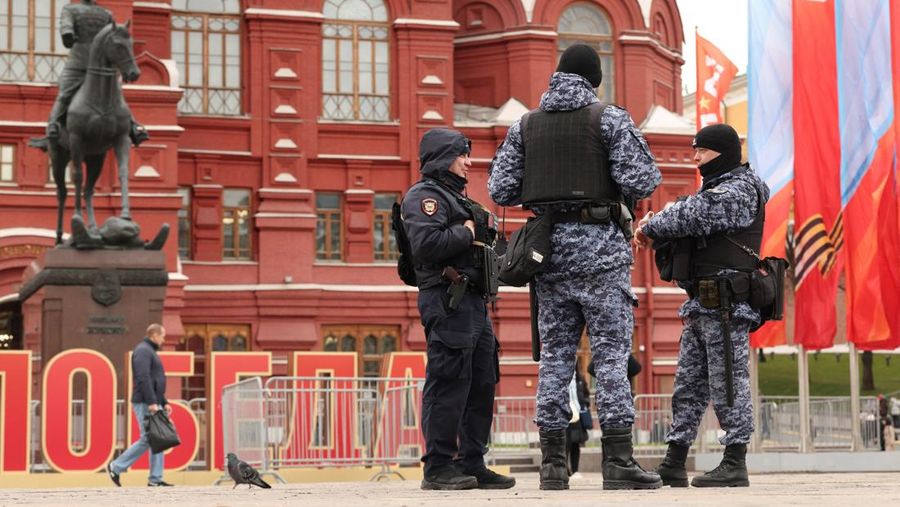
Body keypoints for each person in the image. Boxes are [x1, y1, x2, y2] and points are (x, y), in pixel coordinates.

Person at [489, 43, 662, 491]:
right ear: (594, 79)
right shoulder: (608, 118)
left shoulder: (525, 125)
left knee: (555, 358)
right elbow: (642, 180)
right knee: (608, 356)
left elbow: (501, 189)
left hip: (548, 257)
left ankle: (552, 465)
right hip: (602, 253)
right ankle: (619, 462)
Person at [634, 123, 769, 488]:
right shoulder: (714, 189)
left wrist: (651, 225)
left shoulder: (739, 189)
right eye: (694, 150)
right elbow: (688, 211)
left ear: (722, 153)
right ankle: (674, 460)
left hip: (726, 305)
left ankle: (734, 461)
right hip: (702, 304)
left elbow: (692, 214)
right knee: (688, 385)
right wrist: (658, 224)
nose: (695, 157)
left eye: (702, 151)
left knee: (728, 382)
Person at [402, 128, 515, 491]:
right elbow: (425, 244)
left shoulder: (459, 199)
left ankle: (471, 461)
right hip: (447, 300)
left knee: (481, 382)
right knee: (448, 381)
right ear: (444, 156)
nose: (469, 162)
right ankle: (437, 466)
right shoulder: (424, 197)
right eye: (463, 154)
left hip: (474, 304)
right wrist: (467, 233)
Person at [46, 0, 149, 145]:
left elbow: (112, 40)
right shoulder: (73, 10)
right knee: (65, 92)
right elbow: (67, 28)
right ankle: (53, 124)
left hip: (94, 63)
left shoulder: (103, 13)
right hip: (81, 63)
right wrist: (68, 33)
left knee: (115, 93)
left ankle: (133, 126)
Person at [107, 323, 174, 487]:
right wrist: (152, 402)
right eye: (162, 336)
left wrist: (163, 402)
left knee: (157, 438)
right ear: (154, 336)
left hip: (151, 401)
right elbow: (143, 378)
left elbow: (154, 380)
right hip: (145, 402)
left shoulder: (148, 351)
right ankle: (116, 466)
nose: (164, 340)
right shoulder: (143, 351)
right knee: (149, 437)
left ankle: (155, 479)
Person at [566, 370, 591, 478]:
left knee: (576, 443)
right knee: (565, 444)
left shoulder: (579, 378)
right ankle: (565, 469)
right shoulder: (561, 376)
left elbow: (585, 393)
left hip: (577, 414)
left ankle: (575, 470)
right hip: (565, 413)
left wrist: (585, 403)